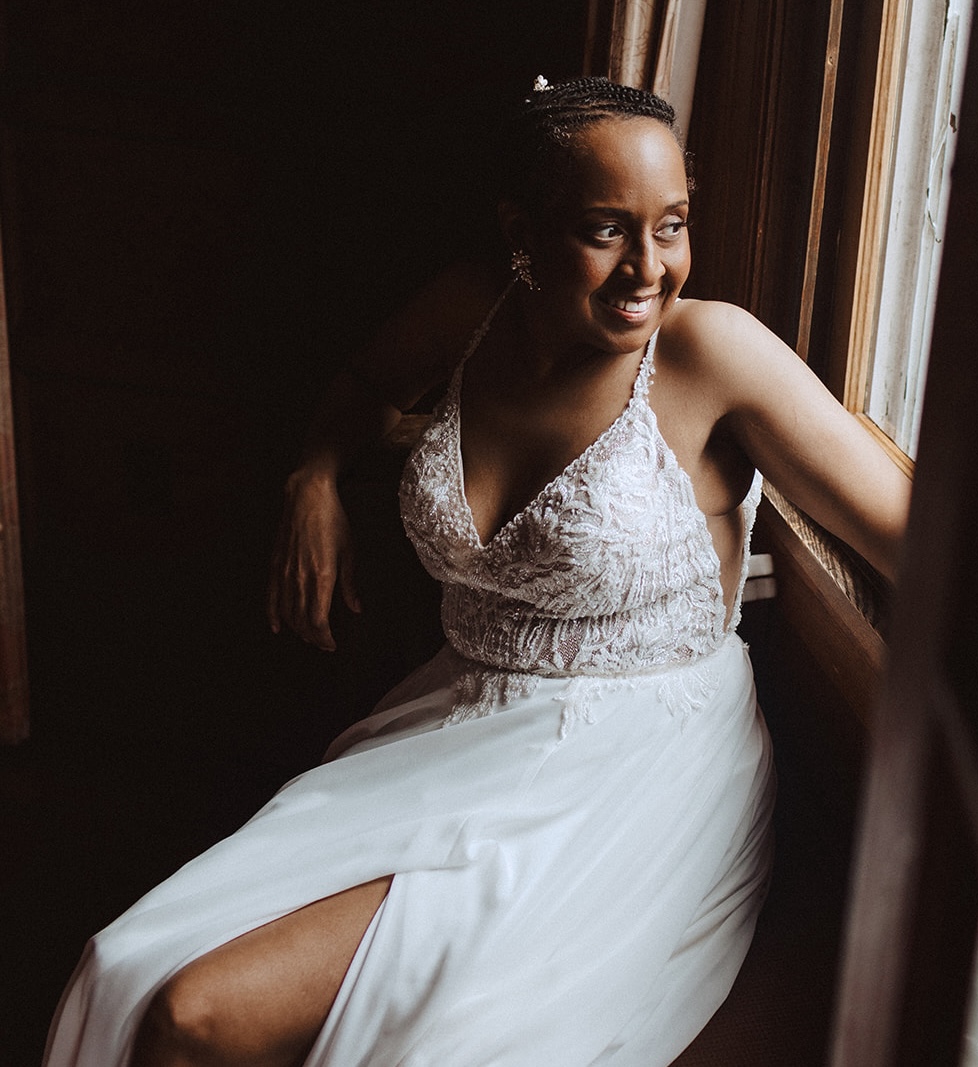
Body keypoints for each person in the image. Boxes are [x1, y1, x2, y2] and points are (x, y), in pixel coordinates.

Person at [43, 77, 910, 1067]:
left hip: (631, 768)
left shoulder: (711, 351)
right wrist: (315, 472)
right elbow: (364, 383)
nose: (647, 267)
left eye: (670, 225)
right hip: (458, 724)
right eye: (602, 228)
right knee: (135, 974)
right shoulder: (475, 308)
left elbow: (909, 535)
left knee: (225, 1018)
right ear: (521, 232)